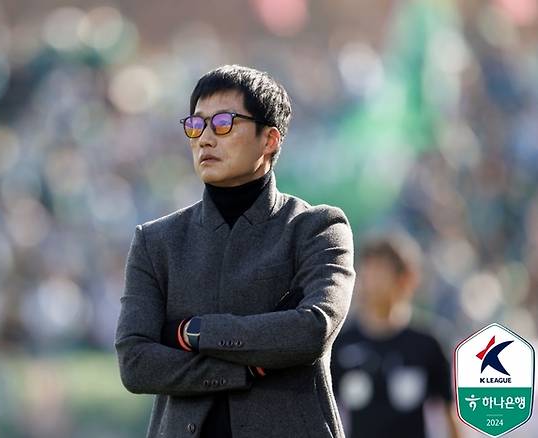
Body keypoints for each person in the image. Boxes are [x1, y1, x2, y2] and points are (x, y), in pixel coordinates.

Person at [115, 64, 356, 438]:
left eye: (224, 123)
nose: (205, 139)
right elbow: (136, 363)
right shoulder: (156, 240)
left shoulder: (317, 228)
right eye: (196, 125)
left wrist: (190, 333)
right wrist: (243, 369)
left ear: (269, 140)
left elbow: (311, 329)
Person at [331, 232, 462, 438]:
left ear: (406, 279)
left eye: (380, 272)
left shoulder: (428, 343)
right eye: (367, 271)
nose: (370, 282)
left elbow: (450, 413)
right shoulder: (341, 343)